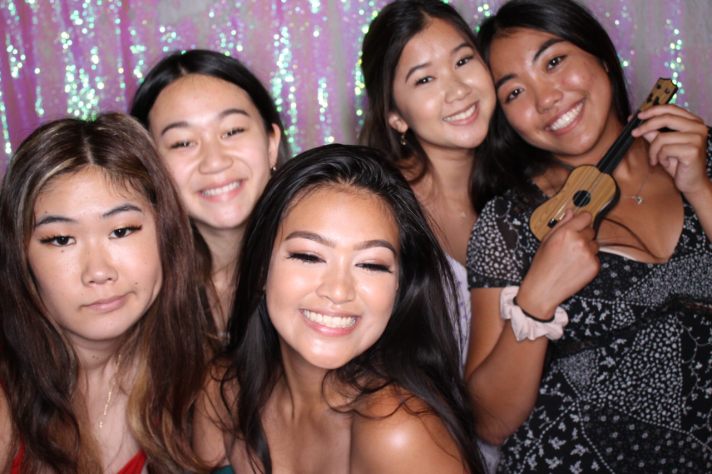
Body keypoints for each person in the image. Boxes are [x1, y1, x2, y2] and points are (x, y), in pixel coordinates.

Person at [466, 0, 712, 472]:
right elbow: (489, 423)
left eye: (554, 62)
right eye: (514, 92)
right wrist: (536, 299)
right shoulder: (509, 223)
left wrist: (700, 190)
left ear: (600, 55)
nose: (545, 99)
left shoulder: (700, 154)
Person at [193, 144, 484, 473]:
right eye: (309, 256)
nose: (338, 291)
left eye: (371, 265)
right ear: (261, 267)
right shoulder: (223, 388)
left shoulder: (398, 431)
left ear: (399, 286)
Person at [0, 113, 211, 472]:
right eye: (61, 239)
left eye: (122, 231)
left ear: (165, 235)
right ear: (22, 257)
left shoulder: (205, 385)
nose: (98, 271)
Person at [360, 0, 496, 362]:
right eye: (424, 79)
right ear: (395, 116)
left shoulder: (523, 183)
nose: (458, 90)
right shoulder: (381, 209)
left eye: (463, 61)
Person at [130, 49, 290, 335]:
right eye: (183, 143)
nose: (215, 161)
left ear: (270, 143)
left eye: (232, 131)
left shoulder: (322, 265)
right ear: (152, 165)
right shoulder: (137, 290)